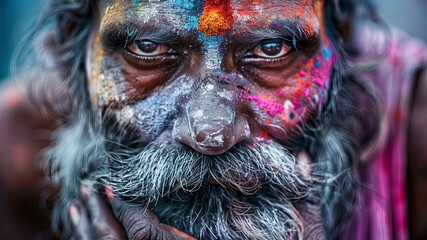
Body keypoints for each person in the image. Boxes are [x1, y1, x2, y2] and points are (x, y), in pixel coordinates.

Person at [0, 0, 426, 239]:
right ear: (71, 48)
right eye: (148, 48)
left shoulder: (417, 148)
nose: (211, 132)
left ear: (344, 41)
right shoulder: (17, 157)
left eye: (272, 48)